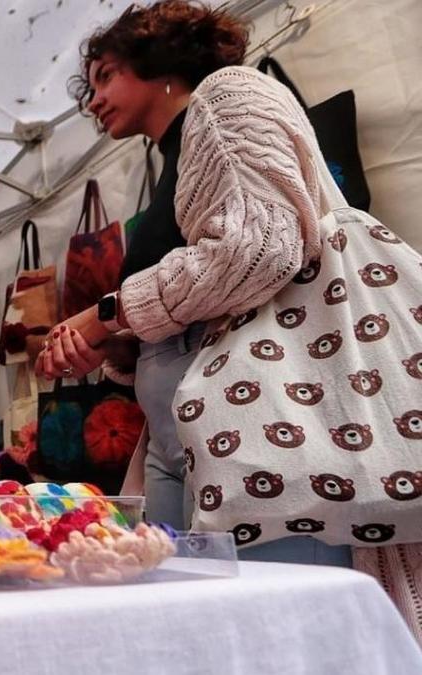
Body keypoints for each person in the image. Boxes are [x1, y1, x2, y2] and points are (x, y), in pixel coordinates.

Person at [37, 1, 357, 566]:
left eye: (107, 75)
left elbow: (257, 250)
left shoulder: (226, 100)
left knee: (267, 626)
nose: (94, 100)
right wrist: (121, 345)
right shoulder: (176, 164)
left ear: (159, 59)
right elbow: (203, 299)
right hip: (178, 433)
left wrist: (104, 314)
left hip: (255, 424)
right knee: (190, 617)